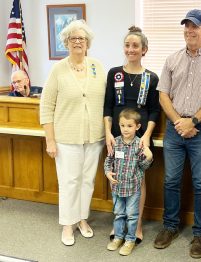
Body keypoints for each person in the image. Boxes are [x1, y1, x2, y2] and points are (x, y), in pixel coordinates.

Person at [153, 9, 201, 259]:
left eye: (195, 27)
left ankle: (199, 234)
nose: (190, 31)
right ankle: (170, 227)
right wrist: (179, 121)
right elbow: (163, 93)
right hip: (175, 128)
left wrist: (194, 120)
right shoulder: (172, 59)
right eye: (187, 26)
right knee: (170, 181)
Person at [40, 19, 106, 246]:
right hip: (66, 138)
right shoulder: (58, 69)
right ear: (66, 43)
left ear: (88, 43)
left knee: (87, 181)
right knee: (69, 182)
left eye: (82, 38)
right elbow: (46, 106)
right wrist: (50, 140)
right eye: (73, 39)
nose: (78, 42)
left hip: (93, 137)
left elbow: (105, 101)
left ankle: (81, 219)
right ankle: (67, 224)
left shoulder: (97, 66)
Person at [104, 26, 160, 244]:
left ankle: (136, 227)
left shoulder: (151, 78)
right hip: (117, 135)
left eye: (135, 45)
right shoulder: (114, 73)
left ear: (144, 49)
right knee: (116, 178)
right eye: (127, 45)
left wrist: (146, 136)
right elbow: (108, 106)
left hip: (139, 136)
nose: (131, 49)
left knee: (138, 179)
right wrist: (108, 132)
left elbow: (154, 110)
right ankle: (118, 225)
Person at [104, 108, 153, 256]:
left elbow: (143, 167)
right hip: (118, 187)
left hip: (133, 188)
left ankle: (130, 239)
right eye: (122, 125)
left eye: (129, 126)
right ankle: (118, 237)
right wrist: (107, 172)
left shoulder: (139, 145)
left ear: (137, 127)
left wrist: (148, 158)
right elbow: (108, 161)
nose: (125, 129)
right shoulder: (116, 142)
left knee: (132, 215)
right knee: (119, 213)